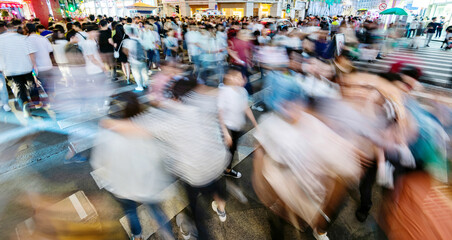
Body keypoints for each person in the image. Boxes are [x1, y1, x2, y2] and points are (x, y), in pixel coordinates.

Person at [91, 92, 174, 240]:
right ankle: (168, 236)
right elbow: (161, 156)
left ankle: (137, 236)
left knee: (131, 212)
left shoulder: (106, 133)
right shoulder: (146, 128)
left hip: (122, 186)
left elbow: (98, 162)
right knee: (156, 211)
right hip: (147, 185)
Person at [218, 67, 258, 178]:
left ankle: (225, 166)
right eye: (237, 77)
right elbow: (220, 113)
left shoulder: (243, 91)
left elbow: (246, 107)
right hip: (227, 126)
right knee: (228, 150)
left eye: (242, 77)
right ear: (229, 77)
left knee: (232, 148)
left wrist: (255, 124)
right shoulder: (224, 91)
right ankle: (227, 169)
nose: (241, 80)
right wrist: (226, 133)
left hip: (237, 126)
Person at [0, 19, 40, 117]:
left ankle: (24, 104)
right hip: (26, 66)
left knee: (18, 88)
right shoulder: (23, 38)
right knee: (31, 84)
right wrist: (34, 65)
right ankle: (36, 102)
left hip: (10, 69)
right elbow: (31, 53)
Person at [25, 23, 60, 104]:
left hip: (38, 68)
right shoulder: (42, 38)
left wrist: (34, 70)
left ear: (27, 29)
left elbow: (30, 55)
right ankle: (53, 99)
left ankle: (52, 101)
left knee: (44, 86)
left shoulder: (27, 40)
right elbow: (50, 50)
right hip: (48, 65)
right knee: (50, 86)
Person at [123, 25, 148, 91]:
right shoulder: (140, 39)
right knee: (143, 72)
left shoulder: (127, 41)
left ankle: (140, 86)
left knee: (136, 73)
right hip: (142, 59)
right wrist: (145, 57)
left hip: (133, 60)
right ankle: (145, 84)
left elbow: (125, 51)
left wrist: (128, 57)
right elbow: (144, 49)